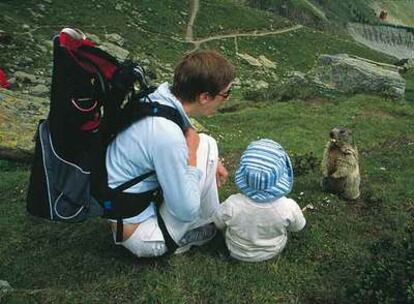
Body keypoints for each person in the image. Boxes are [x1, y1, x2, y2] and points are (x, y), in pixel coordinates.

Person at [106, 50, 235, 257]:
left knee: (207, 143)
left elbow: (186, 132)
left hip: (125, 212)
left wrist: (210, 158)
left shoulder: (158, 95)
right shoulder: (167, 135)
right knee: (201, 150)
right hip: (143, 236)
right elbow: (186, 210)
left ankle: (209, 221)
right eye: (226, 93)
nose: (226, 99)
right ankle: (196, 232)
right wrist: (193, 155)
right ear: (204, 97)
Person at [213, 139, 306, 262]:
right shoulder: (288, 207)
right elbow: (298, 226)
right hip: (272, 251)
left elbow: (218, 222)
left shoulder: (232, 204)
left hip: (236, 250)